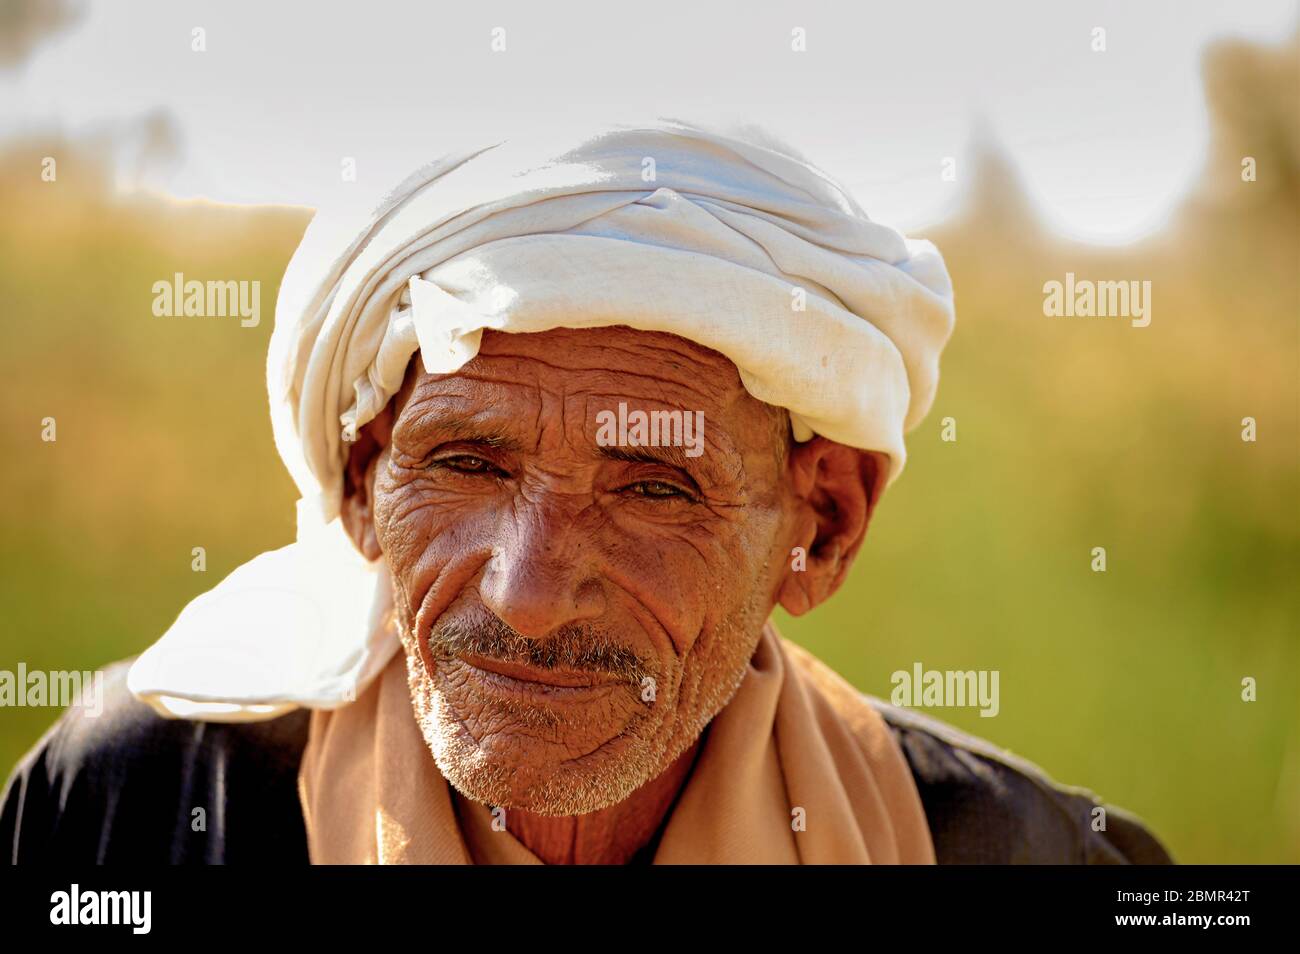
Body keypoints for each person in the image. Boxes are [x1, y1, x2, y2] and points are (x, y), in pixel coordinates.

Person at [2, 120, 1172, 865]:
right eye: (466, 464)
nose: (525, 597)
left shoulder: (1007, 854)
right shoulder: (131, 809)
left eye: (654, 488)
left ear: (823, 524)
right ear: (363, 485)